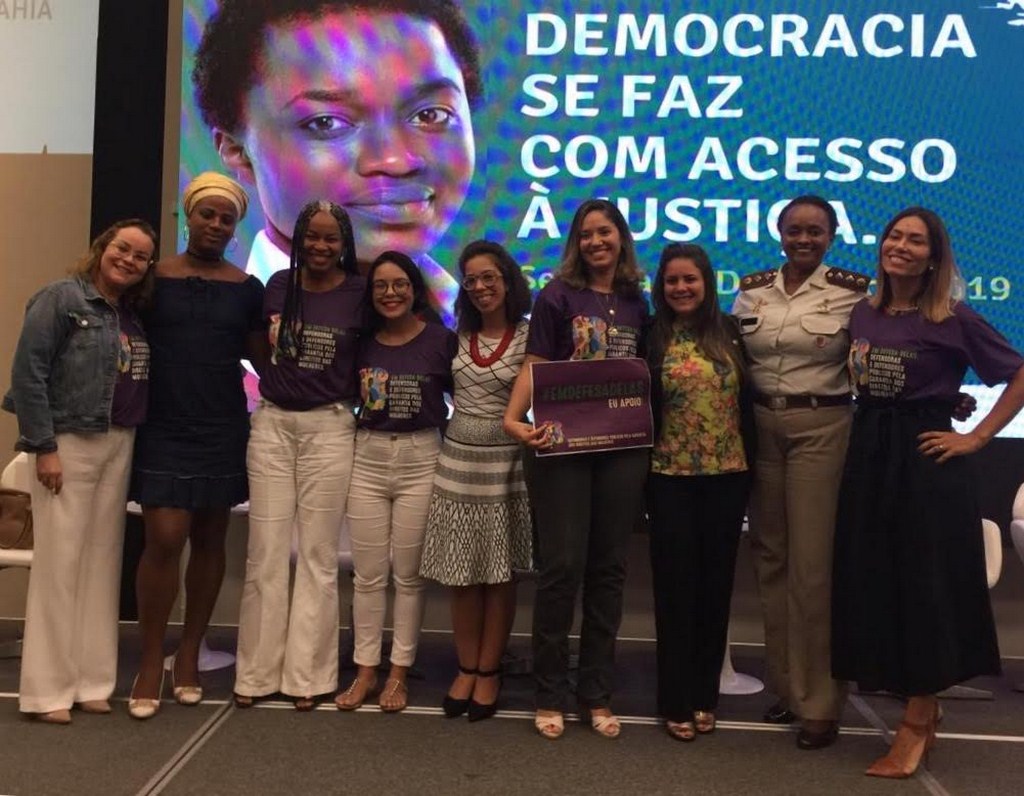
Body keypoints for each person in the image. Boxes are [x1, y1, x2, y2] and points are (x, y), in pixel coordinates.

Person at [831, 207, 1024, 778]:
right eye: (895, 236)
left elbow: (1019, 372)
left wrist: (976, 436)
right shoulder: (863, 312)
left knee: (924, 588)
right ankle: (919, 703)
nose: (901, 246)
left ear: (934, 257)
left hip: (925, 462)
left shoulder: (952, 316)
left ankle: (916, 721)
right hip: (869, 453)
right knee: (878, 581)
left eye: (916, 241)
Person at [192, 0, 482, 322]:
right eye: (326, 123)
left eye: (431, 115)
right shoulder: (219, 332)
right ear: (237, 150)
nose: (395, 160)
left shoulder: (493, 327)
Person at [503, 198, 650, 740]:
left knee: (608, 571)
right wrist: (513, 418)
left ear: (621, 238)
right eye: (586, 234)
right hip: (561, 445)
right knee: (562, 567)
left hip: (622, 450)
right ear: (575, 243)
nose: (595, 242)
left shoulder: (636, 300)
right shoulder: (556, 295)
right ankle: (549, 692)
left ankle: (596, 693)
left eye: (604, 232)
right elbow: (535, 363)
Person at [4, 219, 157, 724]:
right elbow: (28, 374)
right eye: (122, 248)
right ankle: (47, 691)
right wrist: (43, 447)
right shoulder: (61, 299)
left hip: (119, 441)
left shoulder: (129, 313)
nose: (129, 260)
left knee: (101, 563)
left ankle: (92, 681)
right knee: (60, 564)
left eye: (140, 256)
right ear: (102, 247)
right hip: (69, 441)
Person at [731, 195, 868, 749]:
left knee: (812, 569)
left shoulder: (854, 293)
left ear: (831, 236)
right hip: (762, 429)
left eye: (815, 231)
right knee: (772, 561)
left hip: (822, 428)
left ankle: (820, 704)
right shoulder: (753, 290)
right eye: (795, 230)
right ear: (780, 233)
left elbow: (879, 359)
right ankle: (788, 688)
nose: (804, 239)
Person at [128, 173, 267, 720]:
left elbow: (262, 359)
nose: (216, 224)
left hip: (221, 426)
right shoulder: (152, 279)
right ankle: (149, 660)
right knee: (164, 538)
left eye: (226, 218)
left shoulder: (247, 288)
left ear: (235, 228)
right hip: (162, 424)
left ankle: (189, 654)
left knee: (210, 540)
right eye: (207, 214)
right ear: (188, 216)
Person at [233, 200, 364, 711]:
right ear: (299, 238)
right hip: (272, 425)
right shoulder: (278, 286)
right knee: (264, 552)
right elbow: (254, 340)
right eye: (313, 235)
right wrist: (273, 377)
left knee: (317, 556)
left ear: (344, 243)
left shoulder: (359, 292)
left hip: (330, 426)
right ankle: (256, 674)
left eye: (331, 238)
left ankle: (307, 676)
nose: (320, 246)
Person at [336, 252, 457, 713]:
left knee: (408, 577)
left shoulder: (441, 340)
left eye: (400, 284)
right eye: (381, 285)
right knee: (368, 577)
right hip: (367, 458)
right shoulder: (360, 343)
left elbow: (466, 398)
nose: (391, 293)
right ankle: (366, 671)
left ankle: (399, 674)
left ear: (415, 289)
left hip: (421, 458)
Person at [646, 243, 755, 742]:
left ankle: (705, 697)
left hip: (728, 476)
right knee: (675, 591)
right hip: (668, 478)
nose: (681, 288)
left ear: (707, 283)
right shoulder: (650, 336)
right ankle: (674, 700)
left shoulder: (730, 332)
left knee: (715, 589)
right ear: (661, 287)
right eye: (672, 280)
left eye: (690, 279)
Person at [419, 240, 532, 722]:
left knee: (499, 575)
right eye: (471, 280)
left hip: (506, 463)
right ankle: (466, 667)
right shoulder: (455, 335)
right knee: (461, 574)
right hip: (457, 461)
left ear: (507, 280)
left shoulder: (530, 336)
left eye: (490, 277)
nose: (481, 286)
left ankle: (489, 671)